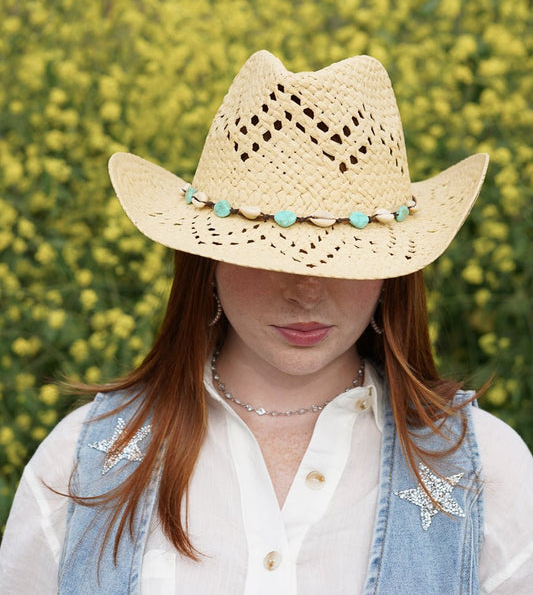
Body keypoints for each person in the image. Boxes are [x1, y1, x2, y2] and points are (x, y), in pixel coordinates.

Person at [1, 51, 532, 594]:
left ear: (391, 274)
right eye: (269, 253)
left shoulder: (491, 474)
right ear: (208, 260)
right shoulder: (81, 466)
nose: (306, 290)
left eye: (345, 256)